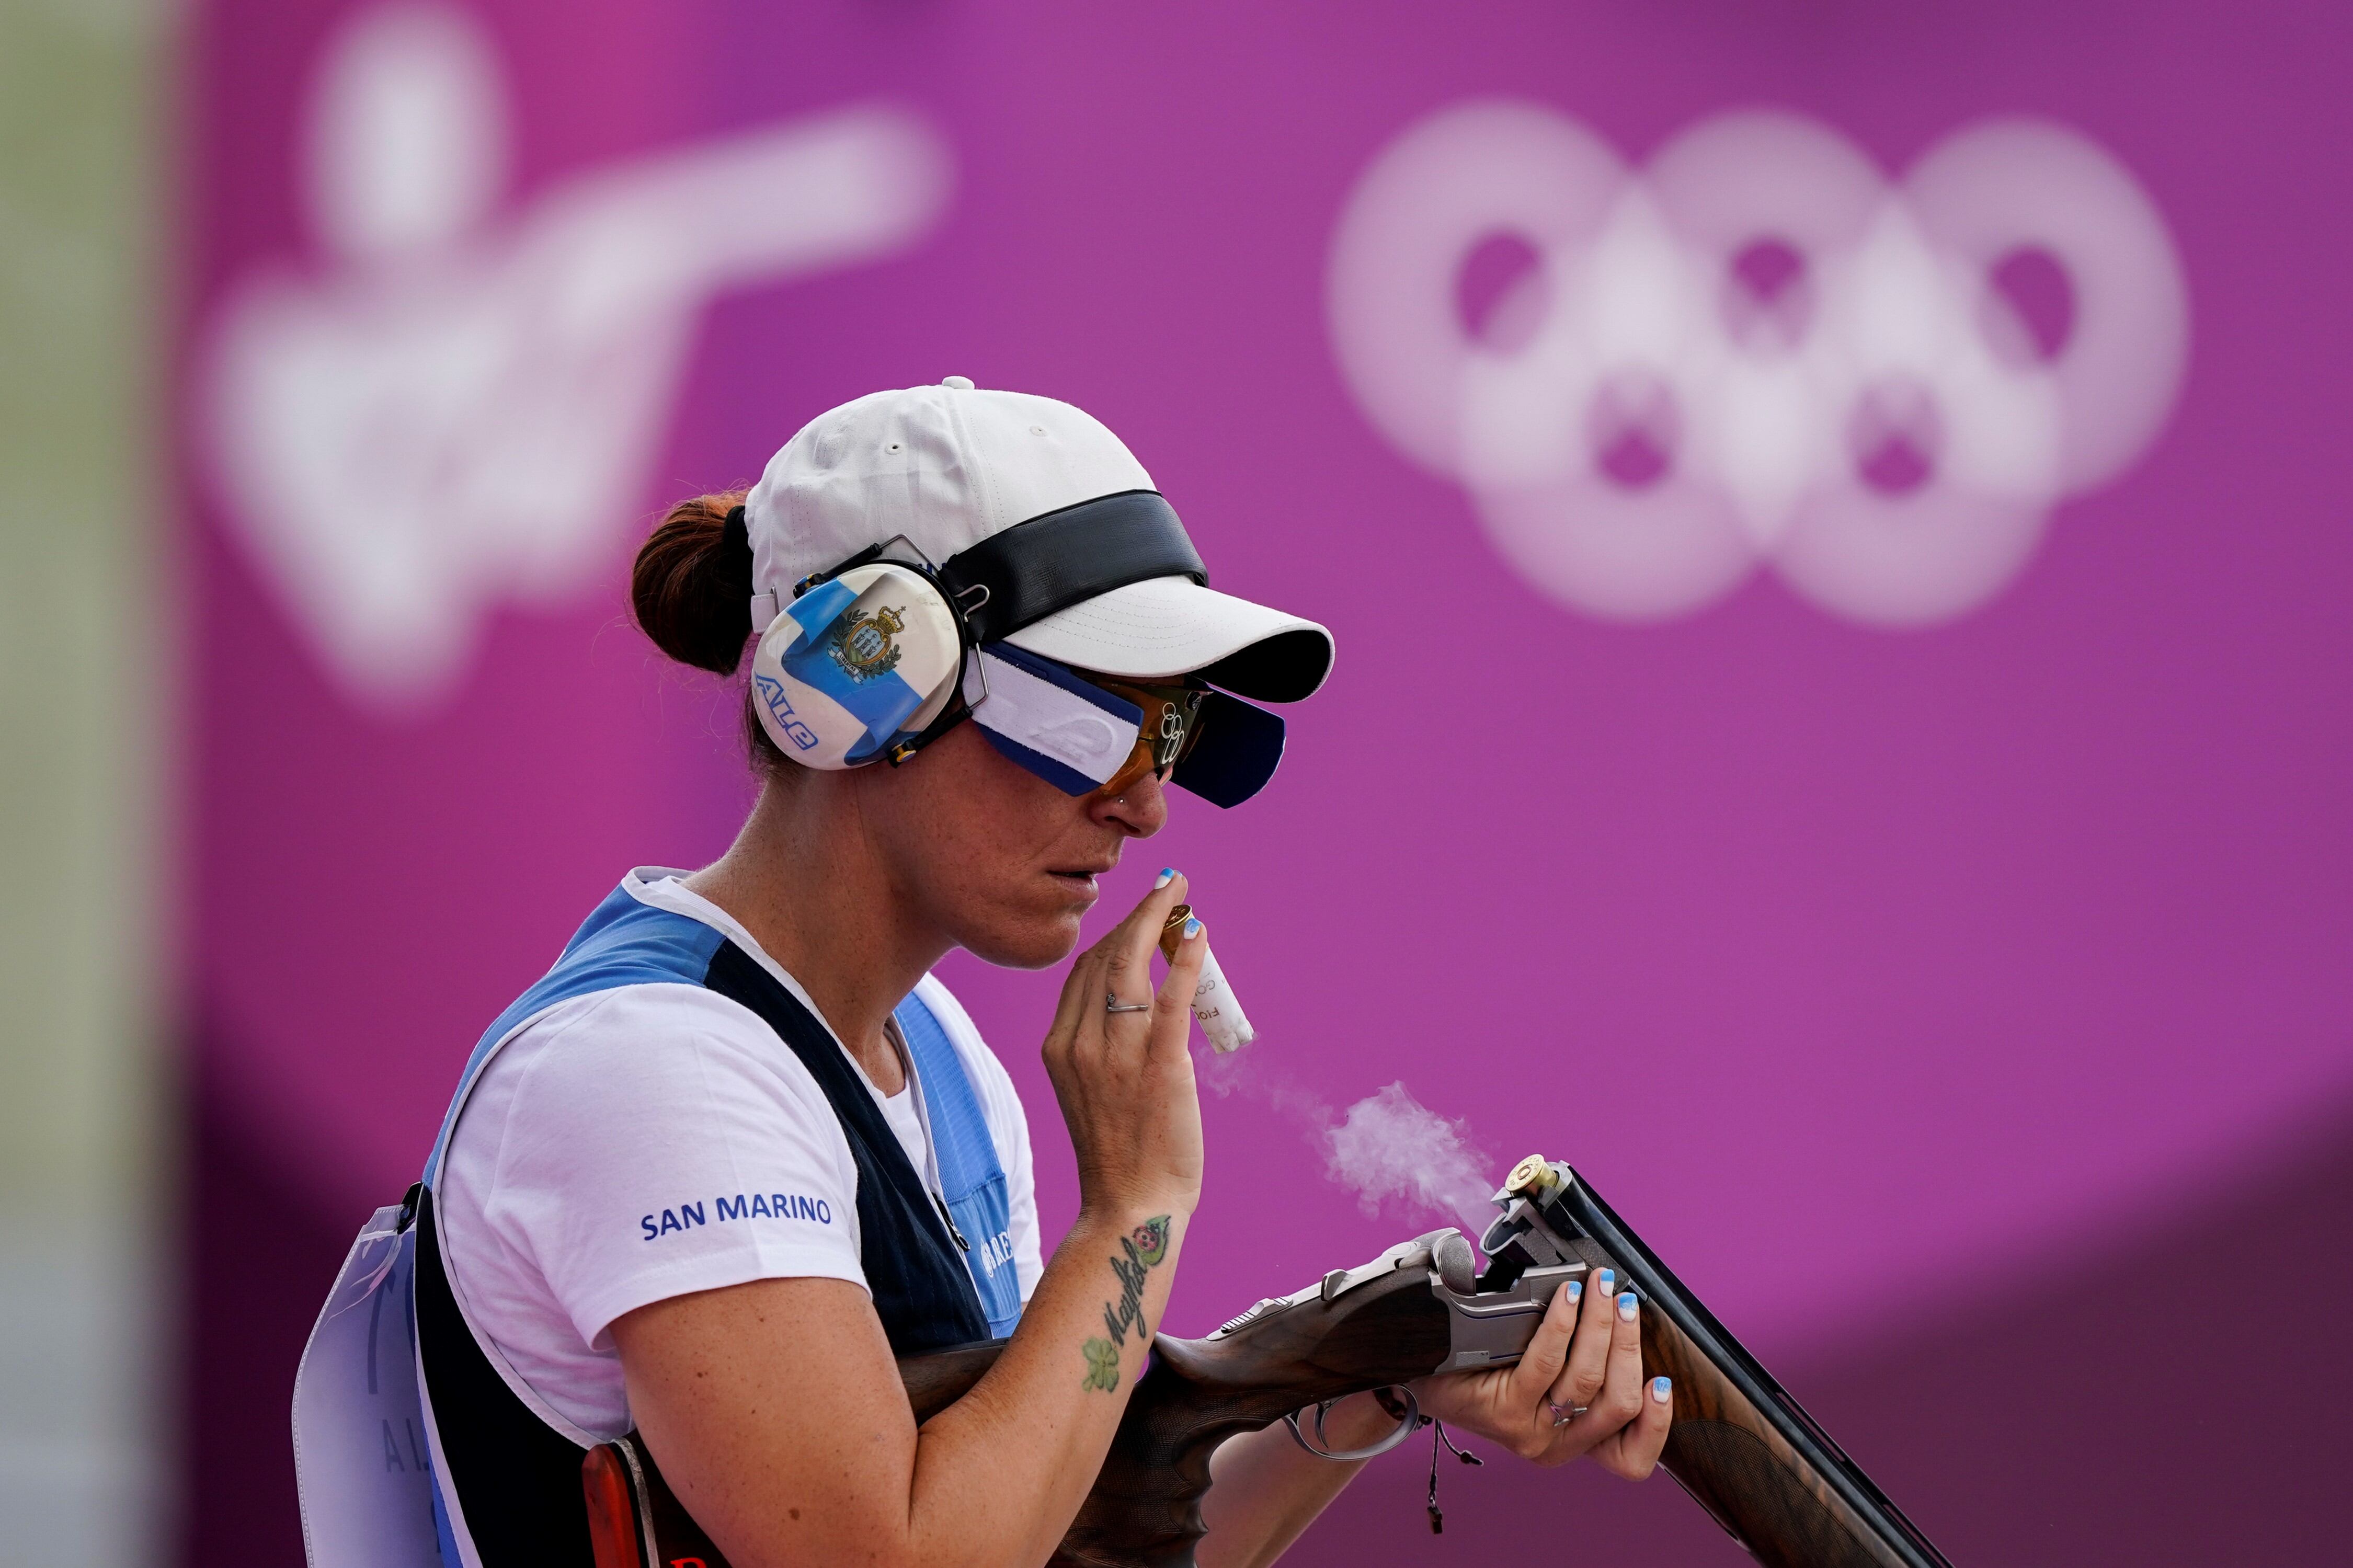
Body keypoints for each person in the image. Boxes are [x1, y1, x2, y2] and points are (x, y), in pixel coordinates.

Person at [416, 379, 1671, 1568]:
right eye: (1090, 719)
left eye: (1169, 728)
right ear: (869, 680)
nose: (1146, 807)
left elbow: (1050, 1537)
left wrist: (1357, 1388)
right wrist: (1132, 1211)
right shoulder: (658, 1068)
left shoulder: (939, 1052)